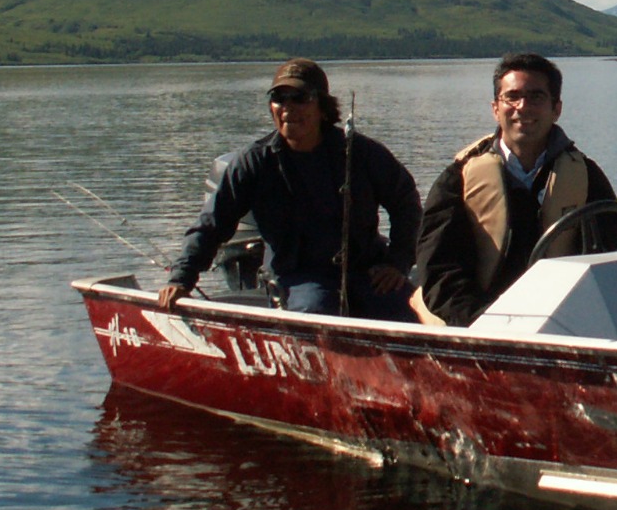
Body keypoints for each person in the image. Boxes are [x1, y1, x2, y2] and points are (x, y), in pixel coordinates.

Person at [158, 58, 422, 320]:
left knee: (411, 311)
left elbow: (406, 202)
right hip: (298, 277)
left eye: (300, 98)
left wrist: (397, 262)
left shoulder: (362, 153)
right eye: (279, 98)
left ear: (323, 107)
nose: (288, 108)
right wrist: (182, 278)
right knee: (318, 313)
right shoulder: (253, 162)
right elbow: (212, 223)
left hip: (367, 271)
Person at [414, 53, 617, 326]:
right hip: (477, 324)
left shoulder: (586, 176)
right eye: (512, 97)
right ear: (495, 108)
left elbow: (608, 258)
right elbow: (439, 270)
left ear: (556, 108)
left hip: (562, 321)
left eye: (536, 97)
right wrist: (486, 323)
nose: (523, 107)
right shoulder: (458, 179)